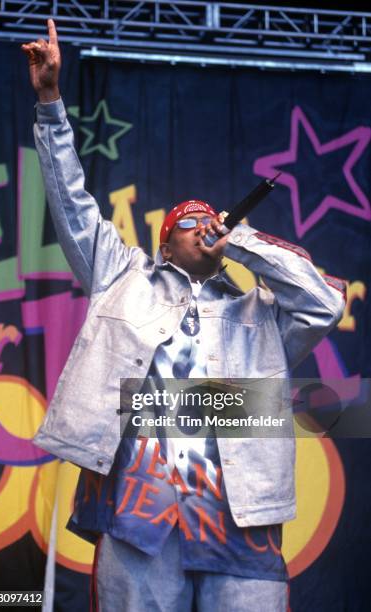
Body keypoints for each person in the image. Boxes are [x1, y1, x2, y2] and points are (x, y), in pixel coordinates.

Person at [22, 20, 346, 612]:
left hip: (238, 512)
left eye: (210, 220)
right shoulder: (124, 278)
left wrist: (243, 242)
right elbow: (73, 204)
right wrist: (49, 104)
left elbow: (324, 301)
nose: (204, 227)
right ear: (165, 244)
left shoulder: (260, 317)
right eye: (188, 224)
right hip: (140, 510)